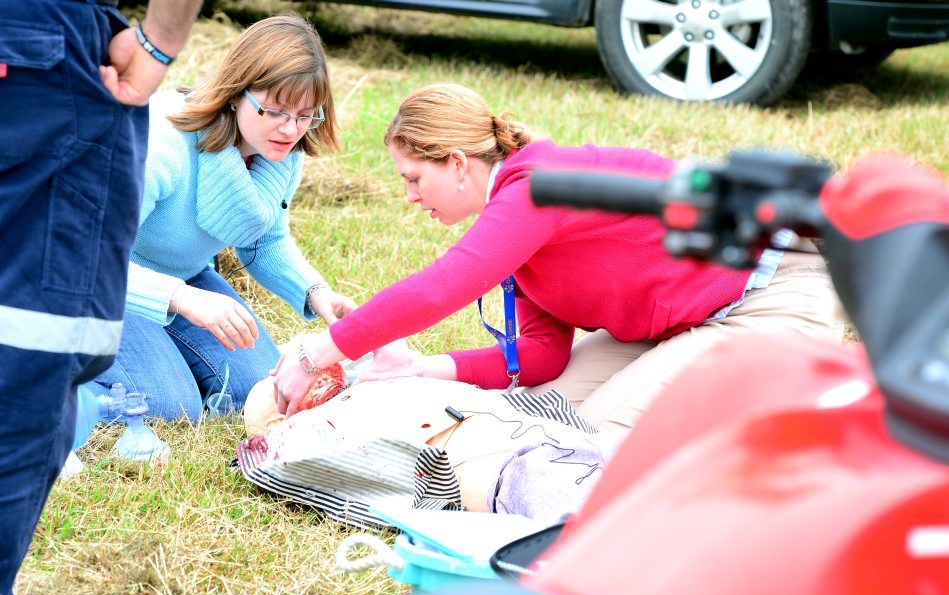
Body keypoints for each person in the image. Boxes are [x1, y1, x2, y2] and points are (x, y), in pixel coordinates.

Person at [272, 83, 845, 429]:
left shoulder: (535, 187)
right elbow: (543, 354)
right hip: (676, 321)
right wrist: (424, 368)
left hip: (765, 297)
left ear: (455, 161)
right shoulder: (518, 225)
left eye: (414, 178)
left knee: (587, 442)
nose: (409, 196)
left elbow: (443, 287)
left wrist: (316, 352)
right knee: (535, 416)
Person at [0, 0, 202, 595]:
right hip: (38, 52)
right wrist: (161, 41)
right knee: (43, 352)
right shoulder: (175, 154)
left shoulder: (286, 162)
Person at [85, 13, 356, 422]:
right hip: (92, 279)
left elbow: (264, 240)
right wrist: (183, 299)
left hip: (181, 276)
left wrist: (316, 292)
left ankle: (155, 350)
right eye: (275, 111)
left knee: (251, 390)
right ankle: (46, 365)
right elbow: (89, 256)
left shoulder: (280, 151)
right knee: (168, 407)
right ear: (236, 92)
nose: (290, 129)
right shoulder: (160, 141)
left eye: (306, 116)